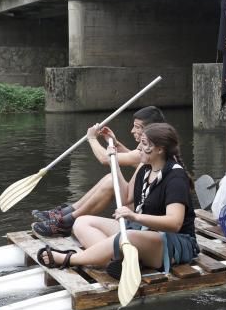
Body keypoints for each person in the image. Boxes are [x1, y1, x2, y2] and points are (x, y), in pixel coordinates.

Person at [36, 123, 199, 275]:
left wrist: (135, 216)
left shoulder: (176, 177)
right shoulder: (146, 169)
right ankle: (117, 261)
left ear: (160, 150)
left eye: (144, 143)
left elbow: (174, 223)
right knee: (82, 222)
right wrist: (114, 158)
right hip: (142, 232)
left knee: (127, 236)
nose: (139, 148)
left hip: (173, 243)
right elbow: (125, 197)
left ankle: (70, 259)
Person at [31, 106, 165, 236]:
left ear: (150, 130)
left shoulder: (153, 148)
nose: (132, 131)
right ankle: (67, 213)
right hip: (142, 207)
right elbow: (137, 161)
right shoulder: (151, 145)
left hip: (147, 217)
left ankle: (66, 222)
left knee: (112, 181)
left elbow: (105, 159)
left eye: (137, 127)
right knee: (110, 178)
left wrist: (92, 138)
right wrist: (116, 144)